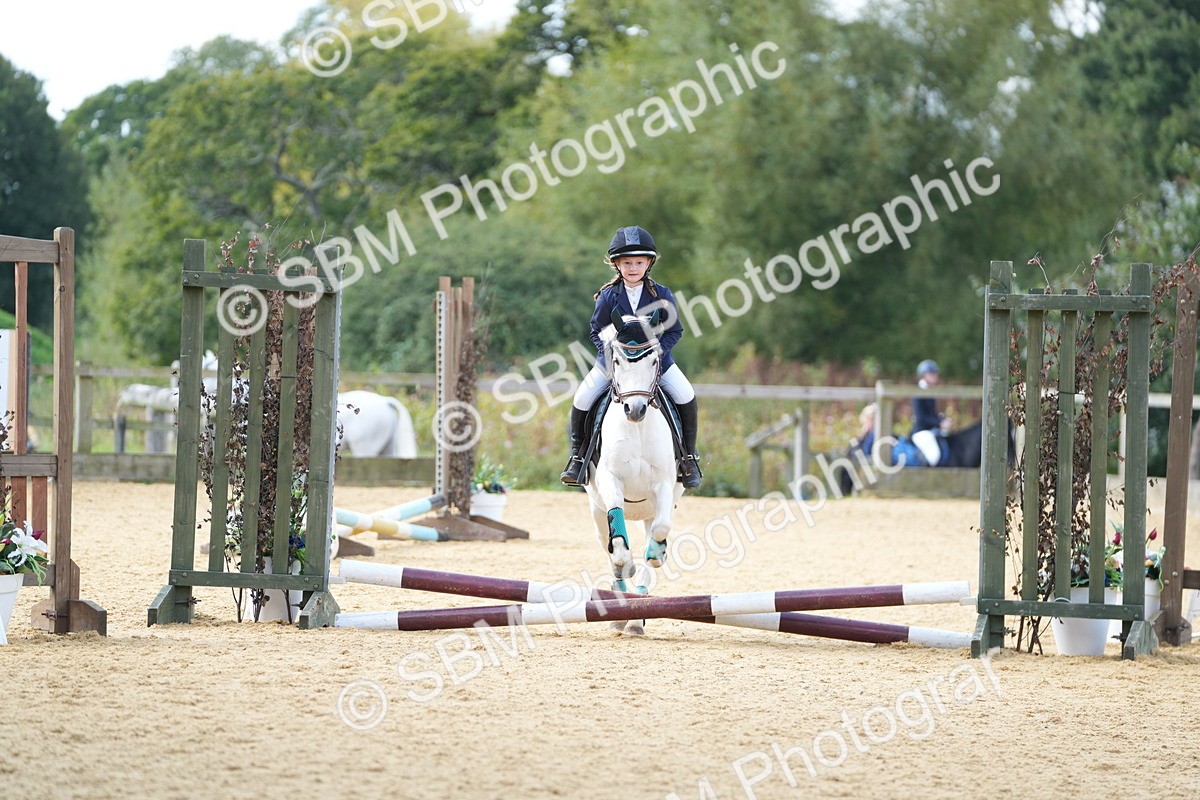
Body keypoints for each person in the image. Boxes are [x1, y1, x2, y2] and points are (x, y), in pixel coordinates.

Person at [560, 225, 703, 489]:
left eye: (639, 262)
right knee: (582, 397)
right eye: (627, 263)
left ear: (649, 263)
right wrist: (613, 355)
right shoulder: (607, 296)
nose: (633, 268)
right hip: (615, 365)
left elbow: (675, 331)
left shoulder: (662, 294)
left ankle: (689, 459)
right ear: (617, 264)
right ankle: (577, 458)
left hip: (654, 363)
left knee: (686, 395)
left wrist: (657, 353)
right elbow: (596, 331)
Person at [910, 359, 952, 466]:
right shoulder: (918, 392)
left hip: (931, 430)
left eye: (935, 373)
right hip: (921, 431)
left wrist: (942, 420)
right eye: (932, 374)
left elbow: (931, 414)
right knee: (934, 455)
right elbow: (921, 417)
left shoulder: (930, 391)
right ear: (924, 375)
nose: (935, 376)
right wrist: (939, 423)